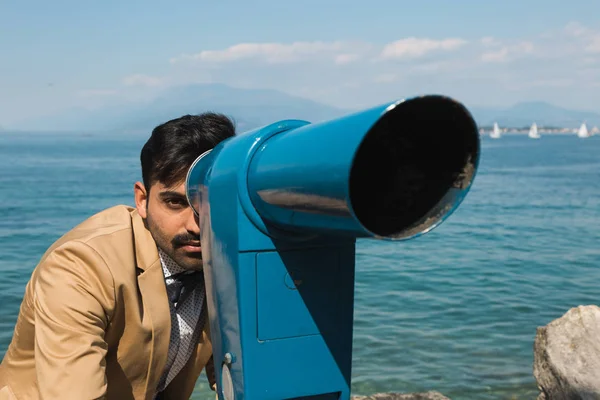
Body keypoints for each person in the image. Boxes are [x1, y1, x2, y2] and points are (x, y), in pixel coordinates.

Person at [0, 113, 236, 400]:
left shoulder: (226, 257)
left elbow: (246, 371)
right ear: (142, 200)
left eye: (209, 202)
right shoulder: (81, 267)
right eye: (175, 203)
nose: (195, 224)